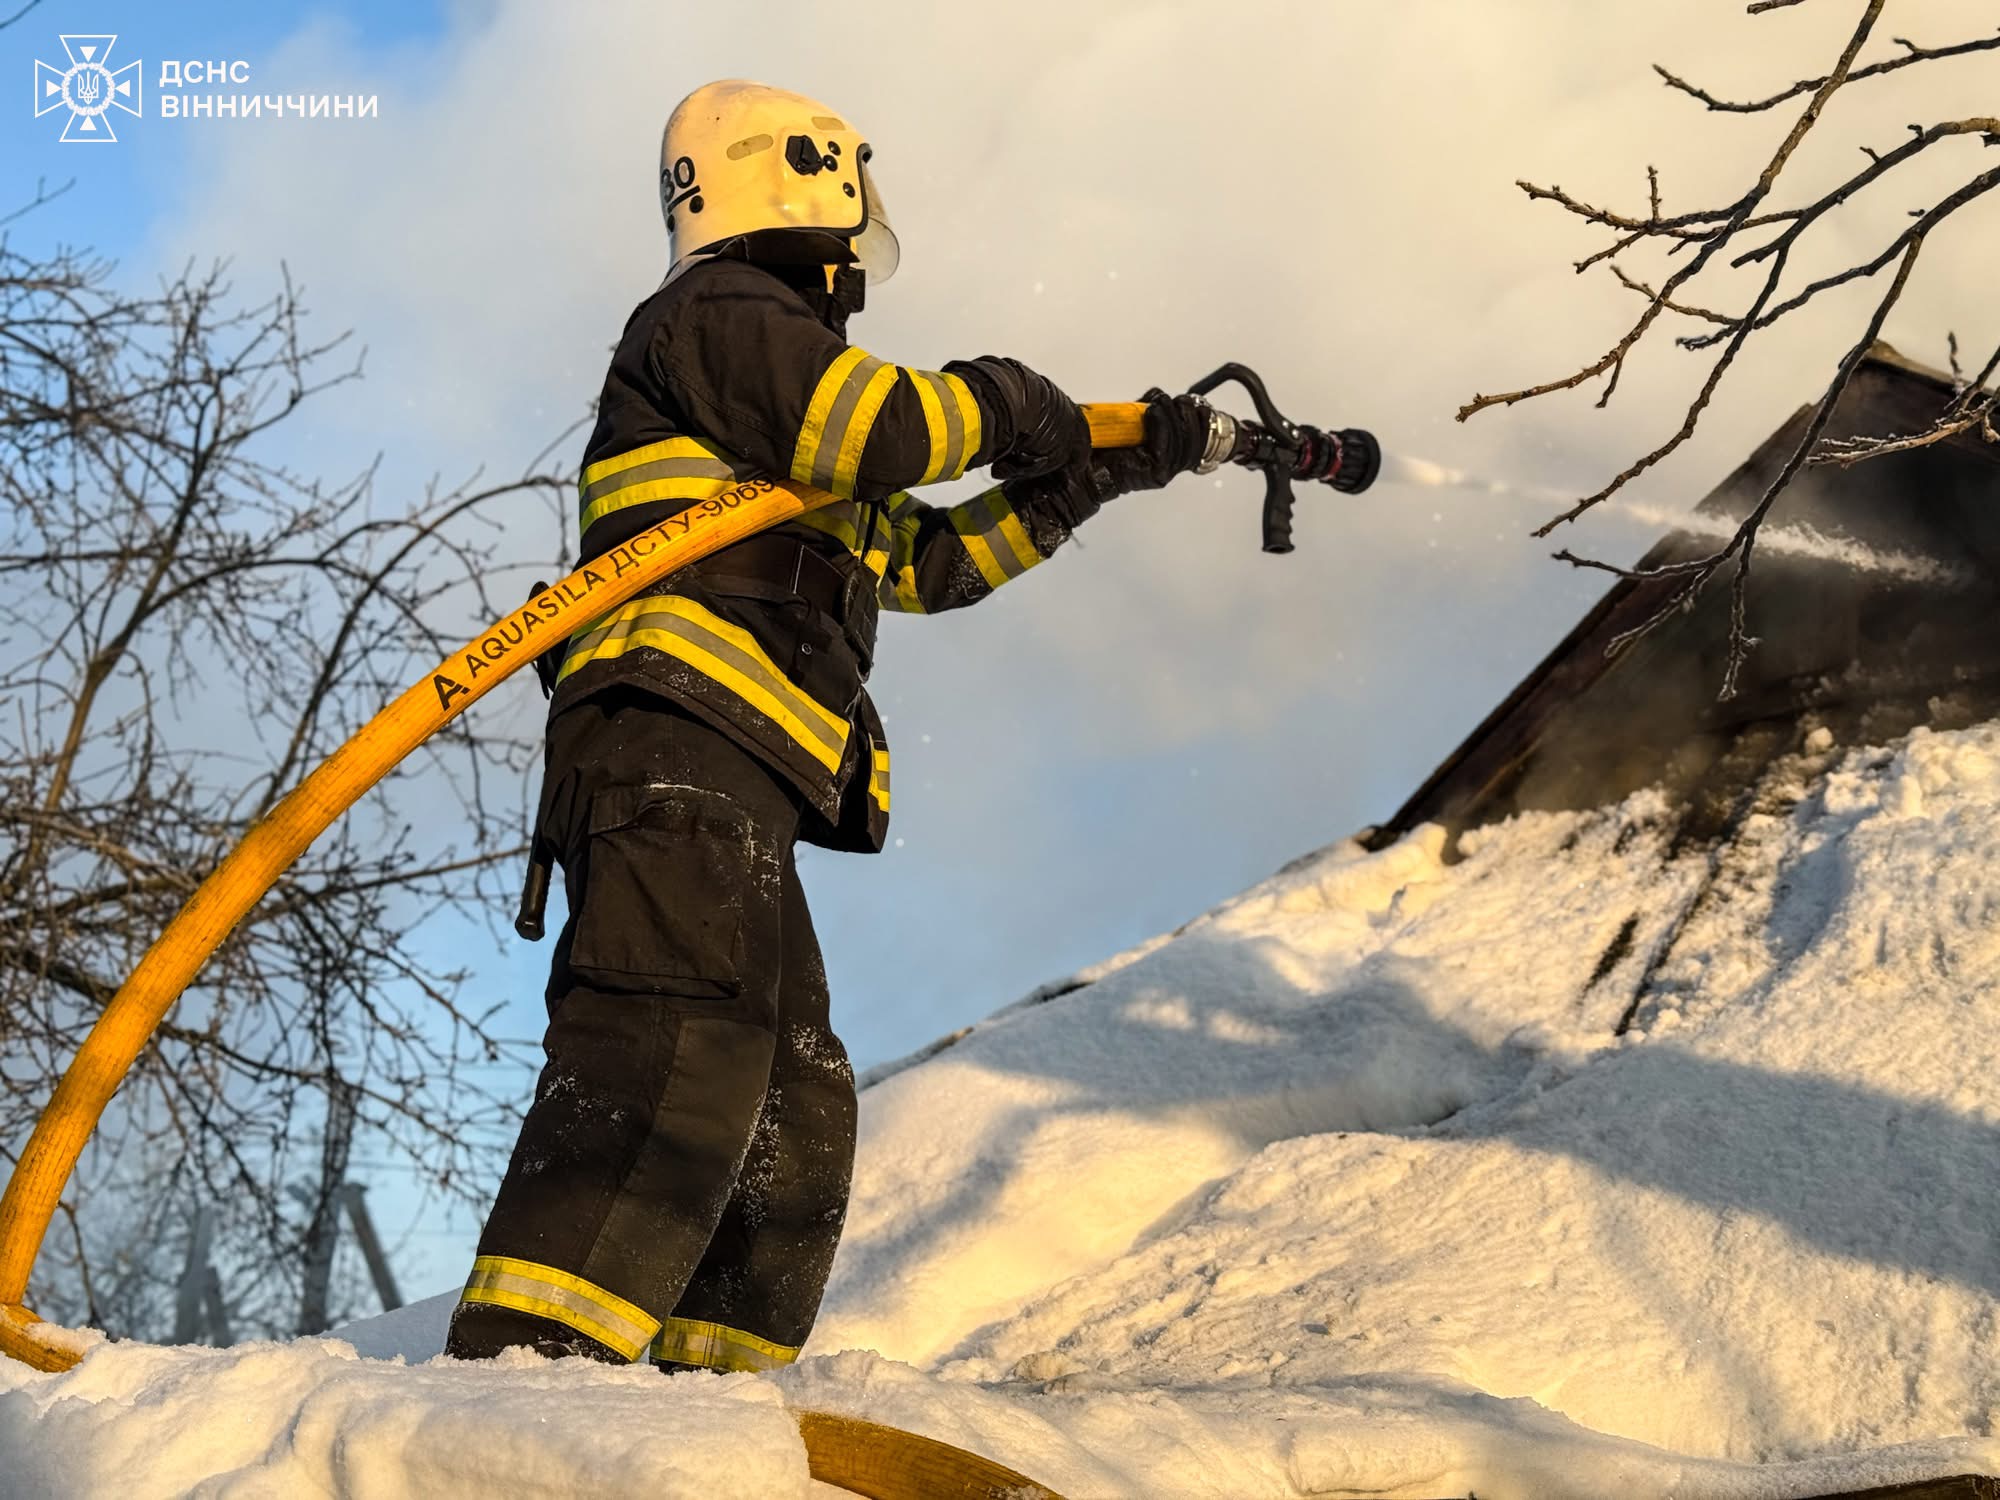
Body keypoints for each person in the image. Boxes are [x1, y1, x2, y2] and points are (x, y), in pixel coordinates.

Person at [445, 79, 1212, 1373]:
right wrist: (1020, 404)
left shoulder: (780, 428)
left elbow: (931, 564)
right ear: (799, 183)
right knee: (673, 1052)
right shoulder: (720, 316)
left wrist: (1093, 473)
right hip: (664, 753)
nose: (859, 260)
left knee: (795, 1100)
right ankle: (525, 1387)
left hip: (732, 781)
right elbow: (888, 426)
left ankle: (708, 1394)